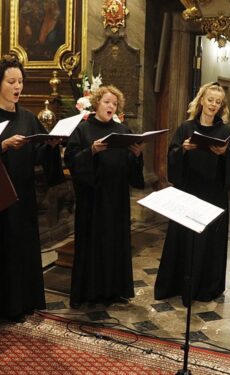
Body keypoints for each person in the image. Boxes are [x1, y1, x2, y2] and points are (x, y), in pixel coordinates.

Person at [0, 55, 63, 323]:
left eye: (20, 81)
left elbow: (38, 154)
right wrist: (3, 147)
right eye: (11, 81)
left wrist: (50, 147)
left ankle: (20, 303)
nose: (17, 87)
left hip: (21, 196)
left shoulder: (28, 117)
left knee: (19, 248)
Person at [154, 82, 230, 306]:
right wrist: (182, 149)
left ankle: (205, 288)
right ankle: (176, 285)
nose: (213, 105)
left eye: (218, 102)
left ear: (221, 106)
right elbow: (171, 155)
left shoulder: (225, 131)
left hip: (213, 194)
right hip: (188, 190)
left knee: (208, 239)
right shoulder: (186, 127)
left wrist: (224, 154)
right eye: (210, 100)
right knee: (183, 237)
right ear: (202, 100)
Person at [65, 85, 145, 308]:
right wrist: (90, 151)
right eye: (107, 102)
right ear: (97, 103)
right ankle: (89, 292)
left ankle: (114, 290)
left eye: (115, 103)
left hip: (117, 197)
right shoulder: (83, 130)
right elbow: (71, 160)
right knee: (92, 242)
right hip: (93, 197)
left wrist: (137, 156)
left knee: (115, 241)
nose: (111, 106)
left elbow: (131, 168)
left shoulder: (124, 131)